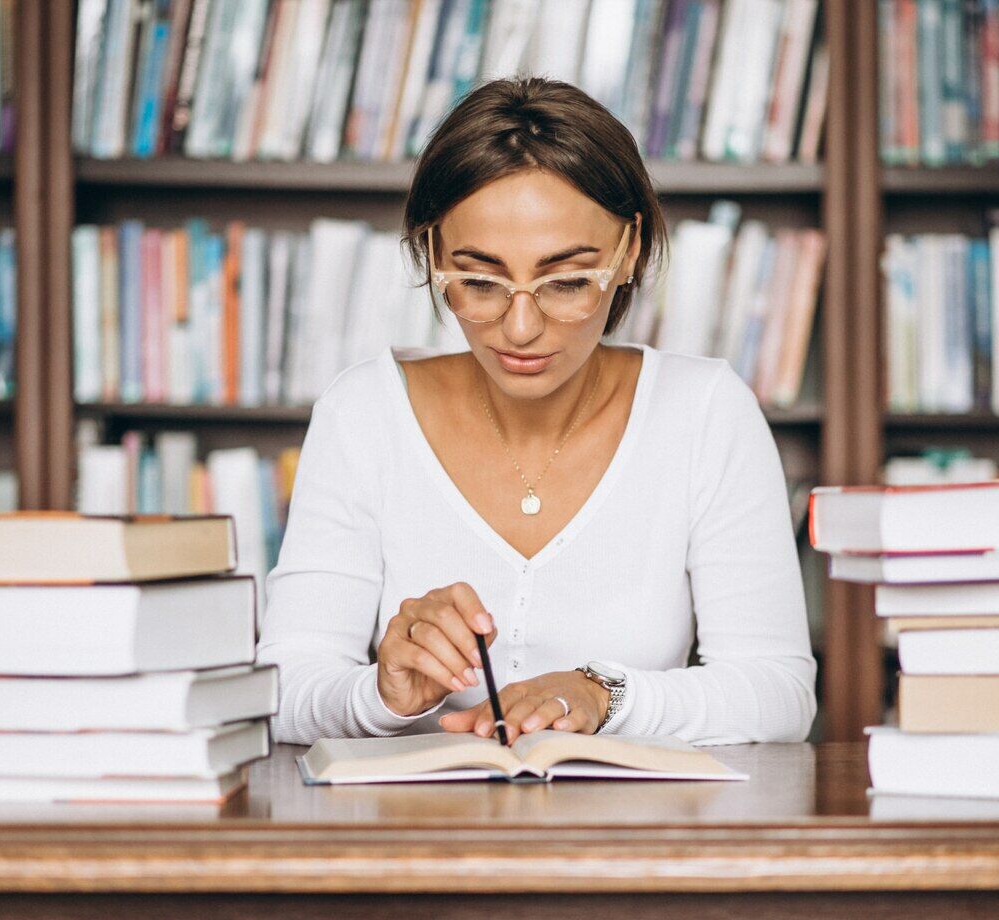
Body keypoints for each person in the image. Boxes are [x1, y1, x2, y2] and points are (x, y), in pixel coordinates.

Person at [255, 77, 816, 746]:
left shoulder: (705, 413)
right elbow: (283, 689)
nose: (520, 329)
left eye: (568, 281)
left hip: (635, 843)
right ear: (434, 253)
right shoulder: (364, 414)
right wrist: (381, 694)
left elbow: (781, 695)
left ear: (629, 250)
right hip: (411, 841)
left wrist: (605, 694)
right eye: (481, 281)